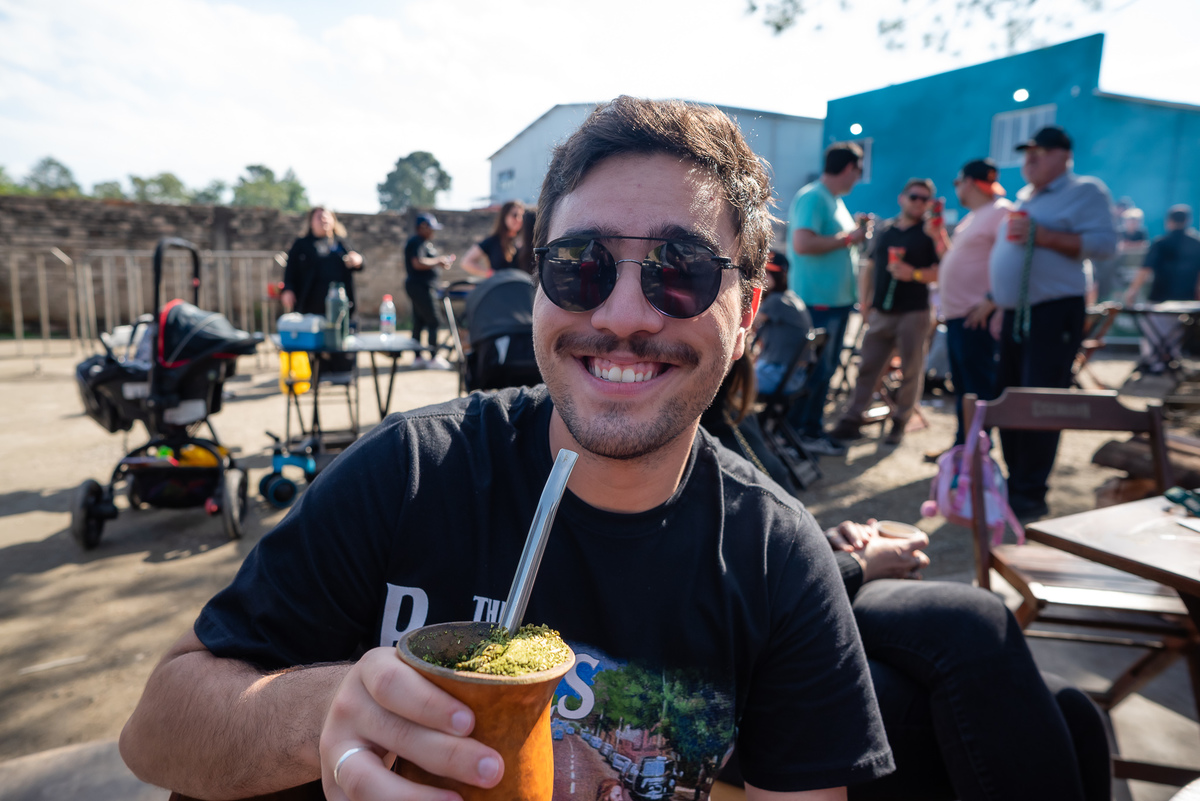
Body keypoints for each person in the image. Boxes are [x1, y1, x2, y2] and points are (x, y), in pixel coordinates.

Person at [119, 97, 893, 801]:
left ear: (748, 309)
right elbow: (155, 732)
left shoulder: (779, 560)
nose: (623, 313)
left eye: (681, 272)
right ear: (539, 289)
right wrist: (328, 710)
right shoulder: (411, 471)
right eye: (580, 264)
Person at [705, 356, 1110, 801]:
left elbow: (761, 533)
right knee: (972, 632)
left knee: (1072, 708)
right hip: (743, 660)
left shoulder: (723, 406)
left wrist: (823, 541)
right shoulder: (660, 432)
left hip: (803, 588)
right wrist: (861, 565)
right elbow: (718, 591)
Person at [988, 125, 1118, 521]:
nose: (1029, 158)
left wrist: (1044, 236)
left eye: (1039, 152)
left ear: (1064, 155)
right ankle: (1015, 482)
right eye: (1027, 152)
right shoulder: (1027, 195)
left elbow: (1106, 246)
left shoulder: (1085, 191)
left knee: (1040, 401)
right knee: (1010, 397)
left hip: (1053, 310)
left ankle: (1030, 491)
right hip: (1017, 314)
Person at [829, 179, 944, 447]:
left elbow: (943, 271)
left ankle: (900, 423)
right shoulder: (886, 230)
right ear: (902, 198)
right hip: (881, 311)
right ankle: (852, 419)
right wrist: (866, 303)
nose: (918, 202)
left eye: (924, 199)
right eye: (914, 196)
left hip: (914, 313)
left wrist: (913, 273)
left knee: (911, 370)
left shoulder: (929, 232)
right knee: (868, 366)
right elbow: (868, 266)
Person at [787, 142, 873, 457]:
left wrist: (853, 236)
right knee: (815, 371)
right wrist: (851, 237)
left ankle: (809, 430)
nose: (859, 178)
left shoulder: (832, 200)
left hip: (832, 303)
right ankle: (801, 433)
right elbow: (803, 244)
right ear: (850, 168)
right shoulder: (814, 196)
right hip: (816, 303)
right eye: (859, 170)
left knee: (824, 370)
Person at [937, 159, 1012, 446]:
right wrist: (938, 235)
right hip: (961, 317)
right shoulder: (975, 216)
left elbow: (1011, 259)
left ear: (968, 182)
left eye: (957, 183)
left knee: (978, 390)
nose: (957, 188)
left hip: (977, 319)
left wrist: (992, 300)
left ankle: (975, 452)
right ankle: (964, 447)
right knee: (965, 390)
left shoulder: (1001, 211)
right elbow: (958, 260)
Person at [1123, 204, 1200, 373]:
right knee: (1175, 333)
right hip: (1186, 300)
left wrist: (1132, 291)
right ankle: (1170, 359)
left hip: (1160, 298)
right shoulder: (1196, 243)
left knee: (1154, 333)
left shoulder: (1161, 242)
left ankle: (1155, 363)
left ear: (1169, 221)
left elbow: (1145, 270)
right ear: (1188, 220)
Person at [281, 207, 365, 317]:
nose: (323, 220)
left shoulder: (342, 244)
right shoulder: (301, 245)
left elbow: (359, 263)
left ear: (333, 221)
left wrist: (358, 260)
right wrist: (288, 289)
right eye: (319, 217)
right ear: (311, 223)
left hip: (340, 305)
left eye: (326, 217)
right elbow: (290, 270)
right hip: (309, 306)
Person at [753, 250, 813, 397]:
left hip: (778, 375)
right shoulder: (791, 298)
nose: (761, 277)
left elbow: (746, 322)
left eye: (766, 273)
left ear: (780, 276)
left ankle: (738, 420)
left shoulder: (775, 301)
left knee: (729, 382)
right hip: (793, 376)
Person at [404, 212, 455, 369]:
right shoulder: (416, 242)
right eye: (431, 228)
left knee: (419, 321)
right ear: (422, 227)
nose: (433, 231)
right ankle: (433, 357)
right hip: (420, 286)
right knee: (433, 320)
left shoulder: (424, 243)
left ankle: (418, 357)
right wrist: (438, 261)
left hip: (423, 285)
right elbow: (417, 263)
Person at [461, 200, 526, 277]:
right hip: (501, 286)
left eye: (522, 216)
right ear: (504, 216)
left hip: (522, 287)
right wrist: (490, 274)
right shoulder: (493, 241)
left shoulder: (527, 241)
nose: (519, 219)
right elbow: (466, 262)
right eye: (515, 215)